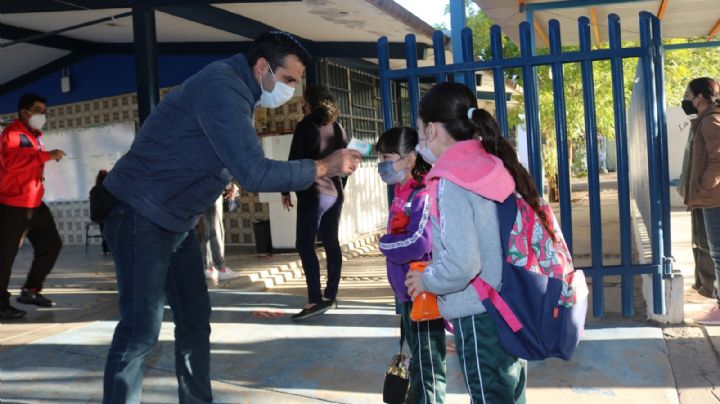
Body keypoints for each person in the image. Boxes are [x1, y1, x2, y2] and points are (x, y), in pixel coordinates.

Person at [100, 32, 361, 403]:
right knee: (141, 330)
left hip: (178, 220)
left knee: (194, 322)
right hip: (141, 213)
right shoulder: (222, 86)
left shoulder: (240, 89)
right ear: (261, 67)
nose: (290, 90)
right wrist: (324, 165)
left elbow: (219, 153)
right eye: (287, 80)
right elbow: (255, 172)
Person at [405, 82, 527, 403]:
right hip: (508, 305)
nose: (420, 140)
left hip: (479, 315)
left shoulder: (452, 179)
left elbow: (463, 264)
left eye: (419, 130)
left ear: (431, 129)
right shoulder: (492, 164)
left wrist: (426, 279)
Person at [376, 127, 446, 403]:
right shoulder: (401, 189)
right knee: (417, 362)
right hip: (407, 292)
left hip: (423, 295)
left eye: (387, 156)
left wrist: (384, 244)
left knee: (428, 366)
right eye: (380, 157)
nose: (382, 164)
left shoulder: (423, 190)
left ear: (410, 158)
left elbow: (420, 241)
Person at [281, 85, 348, 321]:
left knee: (304, 244)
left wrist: (285, 189)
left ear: (311, 102)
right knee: (331, 243)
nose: (303, 104)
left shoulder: (305, 125)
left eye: (304, 100)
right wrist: (339, 189)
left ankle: (314, 299)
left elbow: (294, 161)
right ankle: (330, 295)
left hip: (314, 193)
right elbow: (346, 165)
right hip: (335, 193)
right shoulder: (338, 128)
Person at [0, 93, 65, 320]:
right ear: (24, 112)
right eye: (38, 110)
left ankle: (30, 290)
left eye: (44, 111)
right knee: (5, 257)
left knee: (51, 245)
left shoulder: (34, 136)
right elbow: (10, 163)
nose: (42, 115)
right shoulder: (14, 133)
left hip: (34, 203)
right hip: (13, 204)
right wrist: (47, 156)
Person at [682, 77, 720, 324]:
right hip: (709, 197)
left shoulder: (711, 120)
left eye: (688, 95)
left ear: (701, 97)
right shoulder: (707, 119)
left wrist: (703, 185)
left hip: (714, 198)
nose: (685, 100)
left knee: (718, 253)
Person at [202, 182, 241, 281]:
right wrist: (229, 186)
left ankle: (208, 267)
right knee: (216, 229)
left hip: (199, 189)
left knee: (207, 228)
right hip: (212, 188)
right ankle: (220, 268)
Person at [89, 169, 111, 255]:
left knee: (104, 233)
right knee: (108, 233)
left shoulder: (94, 190)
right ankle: (108, 249)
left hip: (100, 216)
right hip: (110, 215)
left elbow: (93, 204)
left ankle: (105, 249)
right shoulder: (110, 188)